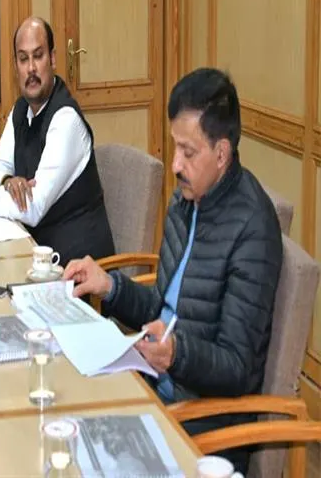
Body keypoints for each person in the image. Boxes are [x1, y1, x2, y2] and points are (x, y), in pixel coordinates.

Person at [64, 68, 283, 475]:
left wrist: (176, 354)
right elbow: (165, 308)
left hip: (201, 424)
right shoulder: (186, 201)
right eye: (174, 148)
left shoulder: (253, 228)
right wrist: (110, 286)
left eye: (188, 151)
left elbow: (237, 367)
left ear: (222, 154)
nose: (176, 165)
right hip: (153, 387)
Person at [0, 16, 114, 265]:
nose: (31, 68)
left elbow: (32, 209)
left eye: (38, 56)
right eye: (23, 59)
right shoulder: (22, 109)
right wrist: (7, 181)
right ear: (16, 66)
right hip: (39, 257)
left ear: (53, 59)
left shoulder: (66, 119)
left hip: (78, 271)